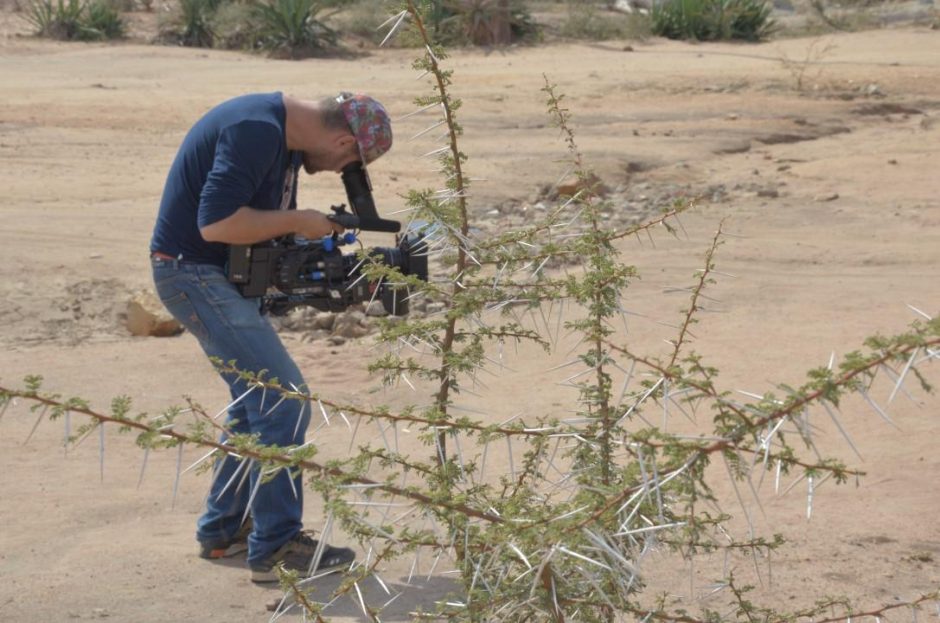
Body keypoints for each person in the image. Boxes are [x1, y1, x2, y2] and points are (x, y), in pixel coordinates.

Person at [149, 91, 393, 583]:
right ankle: (276, 546)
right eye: (350, 161)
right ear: (343, 139)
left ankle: (223, 531)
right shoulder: (255, 129)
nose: (339, 169)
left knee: (253, 403)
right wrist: (301, 221)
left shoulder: (278, 139)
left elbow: (253, 225)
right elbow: (216, 224)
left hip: (212, 276)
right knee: (284, 400)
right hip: (192, 273)